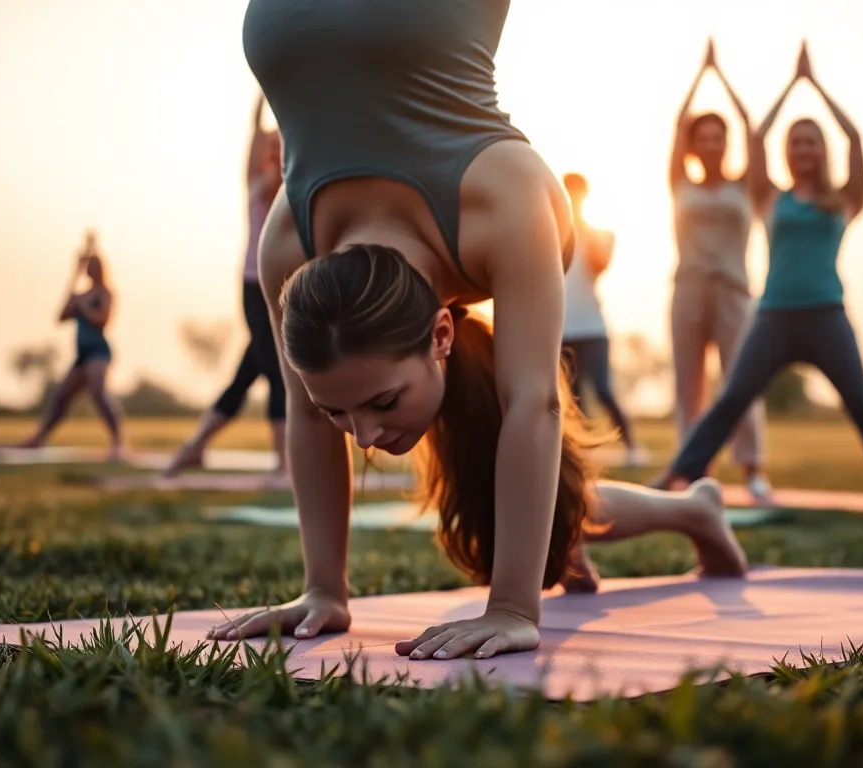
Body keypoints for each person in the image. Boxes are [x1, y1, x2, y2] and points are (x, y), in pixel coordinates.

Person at [206, 0, 749, 661]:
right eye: (342, 409)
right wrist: (323, 590)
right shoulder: (286, 253)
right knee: (534, 517)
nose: (368, 440)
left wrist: (516, 606)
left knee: (532, 507)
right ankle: (695, 510)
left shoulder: (504, 204)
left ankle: (686, 511)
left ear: (442, 335)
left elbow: (534, 401)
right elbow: (306, 415)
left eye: (380, 404)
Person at [650, 43, 863, 511]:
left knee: (861, 401)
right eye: (795, 143)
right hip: (773, 317)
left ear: (822, 151)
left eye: (810, 142)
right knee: (732, 398)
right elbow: (756, 137)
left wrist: (814, 87)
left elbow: (854, 138)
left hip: (825, 315)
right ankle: (676, 474)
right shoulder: (768, 197)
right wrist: (790, 88)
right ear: (786, 152)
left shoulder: (844, 200)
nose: (802, 149)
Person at [162, 96, 288, 482]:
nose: (273, 150)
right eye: (269, 147)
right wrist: (268, 89)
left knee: (248, 373)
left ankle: (194, 447)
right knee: (278, 373)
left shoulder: (291, 189)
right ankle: (284, 465)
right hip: (255, 288)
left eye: (278, 145)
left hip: (282, 290)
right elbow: (257, 134)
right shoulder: (259, 185)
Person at [668, 38, 772, 502]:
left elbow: (753, 130)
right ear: (693, 145)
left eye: (717, 136)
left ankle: (752, 469)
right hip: (688, 289)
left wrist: (721, 78)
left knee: (741, 380)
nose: (710, 143)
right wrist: (698, 77)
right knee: (688, 383)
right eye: (702, 137)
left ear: (725, 143)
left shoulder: (743, 187)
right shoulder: (680, 183)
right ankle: (693, 470)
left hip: (733, 291)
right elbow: (677, 124)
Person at [558, 172, 644, 465]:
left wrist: (580, 224)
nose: (572, 196)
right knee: (572, 397)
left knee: (604, 390)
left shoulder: (600, 235)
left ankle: (632, 446)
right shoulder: (554, 232)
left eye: (577, 191)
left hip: (592, 328)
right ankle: (577, 455)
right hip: (562, 328)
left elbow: (599, 264)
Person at [17, 231, 126, 459]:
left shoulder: (104, 293)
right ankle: (39, 438)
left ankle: (118, 442)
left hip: (99, 351)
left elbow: (102, 320)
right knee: (61, 396)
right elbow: (61, 316)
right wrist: (74, 278)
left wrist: (83, 306)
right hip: (82, 354)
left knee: (99, 393)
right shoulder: (81, 293)